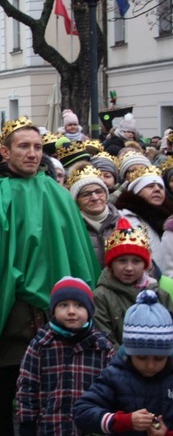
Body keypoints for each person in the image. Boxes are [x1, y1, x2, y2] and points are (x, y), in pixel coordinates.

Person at [0, 116, 99, 435]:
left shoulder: (58, 195)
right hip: (7, 317)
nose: (33, 153)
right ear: (5, 152)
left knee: (54, 402)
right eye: (24, 146)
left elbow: (76, 257)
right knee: (1, 403)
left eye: (37, 147)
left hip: (55, 318)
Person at [16, 277, 114, 435]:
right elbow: (27, 386)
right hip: (51, 428)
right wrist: (27, 423)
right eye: (63, 305)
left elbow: (112, 389)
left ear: (89, 311)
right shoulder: (41, 344)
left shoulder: (102, 346)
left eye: (79, 305)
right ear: (53, 310)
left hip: (90, 429)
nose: (71, 311)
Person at [73, 290, 173, 434]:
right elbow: (82, 412)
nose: (150, 365)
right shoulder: (114, 376)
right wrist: (122, 421)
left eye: (159, 358)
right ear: (129, 353)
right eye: (142, 357)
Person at [94, 218, 173, 348]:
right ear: (111, 265)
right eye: (122, 261)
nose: (129, 268)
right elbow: (104, 338)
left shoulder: (160, 294)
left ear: (145, 265)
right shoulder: (100, 297)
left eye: (136, 261)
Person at [68, 164, 122, 268]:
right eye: (86, 194)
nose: (95, 197)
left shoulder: (122, 221)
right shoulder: (71, 228)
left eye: (99, 192)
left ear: (106, 195)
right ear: (76, 201)